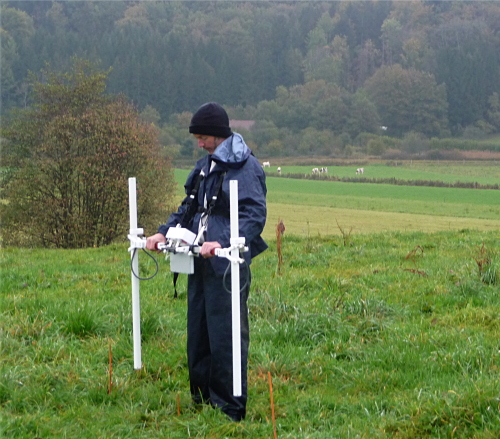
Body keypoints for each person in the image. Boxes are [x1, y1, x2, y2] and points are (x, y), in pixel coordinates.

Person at [146, 102, 267, 421]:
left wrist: (224, 242)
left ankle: (229, 407)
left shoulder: (247, 166)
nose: (199, 143)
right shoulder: (204, 166)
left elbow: (255, 215)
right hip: (197, 256)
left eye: (202, 137)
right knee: (198, 329)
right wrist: (163, 233)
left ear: (216, 134)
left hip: (226, 262)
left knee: (225, 332)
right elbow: (188, 207)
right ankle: (201, 400)